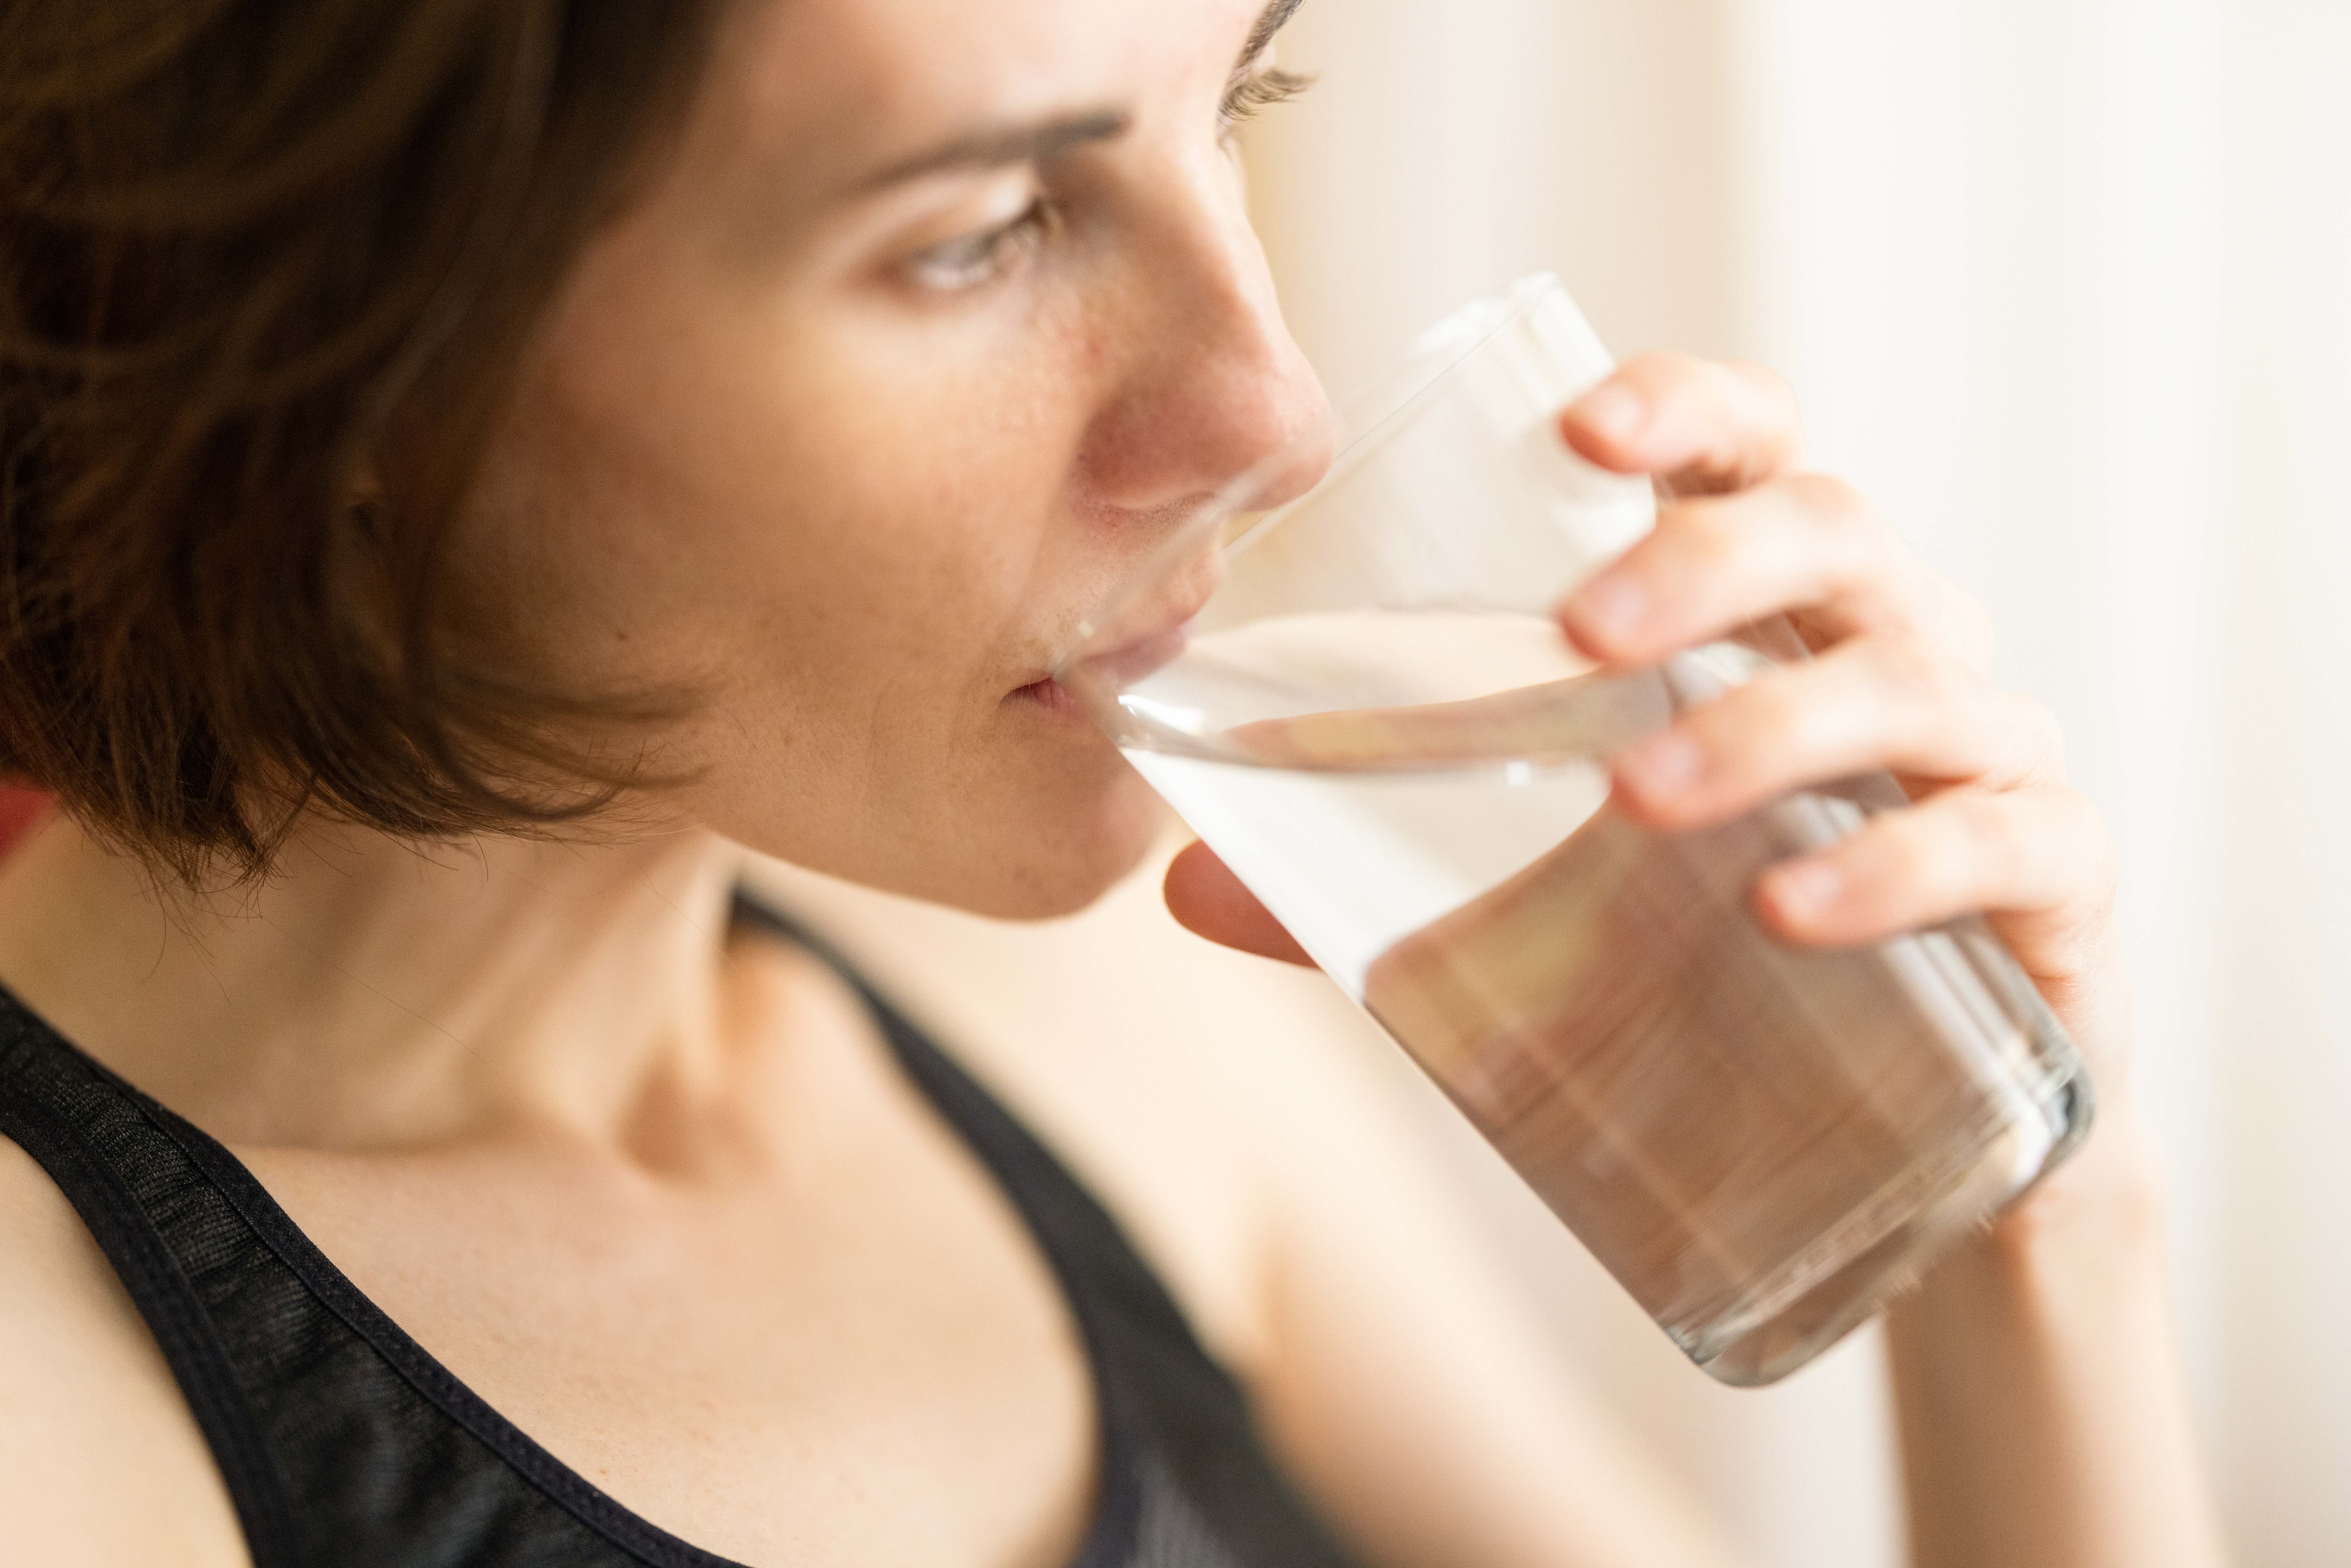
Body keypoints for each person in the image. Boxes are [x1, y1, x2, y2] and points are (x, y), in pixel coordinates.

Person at [0, 2, 2228, 1566]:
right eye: (976, 229)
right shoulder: (62, 1407)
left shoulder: (1084, 1017)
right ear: (328, 340)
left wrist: (2030, 1217)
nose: (1269, 405)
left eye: (1236, 91)